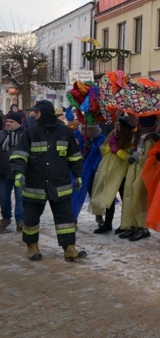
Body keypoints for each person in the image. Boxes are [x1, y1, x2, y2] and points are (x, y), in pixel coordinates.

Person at [9, 100, 85, 262]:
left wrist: (78, 175)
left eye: (36, 112)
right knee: (30, 219)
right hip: (35, 185)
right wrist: (18, 174)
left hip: (60, 184)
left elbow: (75, 157)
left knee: (65, 218)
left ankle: (69, 248)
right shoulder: (30, 132)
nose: (33, 115)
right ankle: (32, 246)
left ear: (45, 113)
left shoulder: (66, 132)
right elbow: (19, 156)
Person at [88, 116, 135, 234]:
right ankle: (108, 224)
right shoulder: (114, 136)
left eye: (120, 125)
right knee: (109, 197)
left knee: (126, 198)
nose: (117, 127)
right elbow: (105, 151)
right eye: (117, 125)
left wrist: (117, 150)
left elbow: (128, 156)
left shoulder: (131, 138)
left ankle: (126, 224)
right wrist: (111, 145)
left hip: (124, 173)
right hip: (112, 172)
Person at [120, 115, 160, 241]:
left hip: (143, 171)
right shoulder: (139, 136)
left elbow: (148, 159)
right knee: (130, 195)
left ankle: (142, 227)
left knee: (139, 197)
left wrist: (136, 155)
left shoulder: (150, 139)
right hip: (135, 169)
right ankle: (132, 224)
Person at [70, 124, 106, 223]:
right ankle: (73, 217)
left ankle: (99, 215)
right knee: (76, 193)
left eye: (91, 130)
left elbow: (102, 152)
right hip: (79, 168)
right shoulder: (76, 134)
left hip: (94, 168)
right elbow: (71, 148)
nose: (89, 132)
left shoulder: (100, 137)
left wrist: (92, 148)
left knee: (95, 193)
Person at [0, 112, 25, 232]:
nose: (8, 124)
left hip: (20, 172)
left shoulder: (25, 135)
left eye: (11, 122)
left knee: (20, 197)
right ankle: (6, 218)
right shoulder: (1, 135)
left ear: (19, 123)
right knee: (3, 197)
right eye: (7, 121)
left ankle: (20, 220)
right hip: (3, 172)